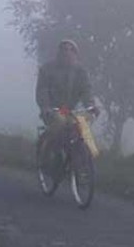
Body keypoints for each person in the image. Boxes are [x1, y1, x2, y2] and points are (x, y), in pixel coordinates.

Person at [35, 39, 98, 173]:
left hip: (70, 110)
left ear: (76, 54)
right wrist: (45, 107)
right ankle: (52, 155)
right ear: (59, 52)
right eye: (63, 49)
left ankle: (88, 160)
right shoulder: (47, 69)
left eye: (71, 50)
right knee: (60, 122)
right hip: (54, 109)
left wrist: (91, 106)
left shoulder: (81, 72)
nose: (67, 52)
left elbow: (86, 90)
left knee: (83, 127)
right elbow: (42, 91)